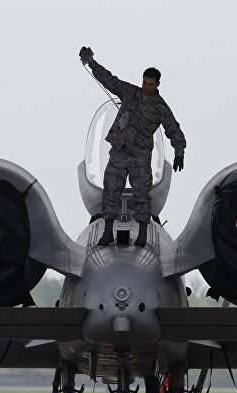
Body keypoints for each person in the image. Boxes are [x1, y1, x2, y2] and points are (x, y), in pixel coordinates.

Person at [79, 46, 186, 247]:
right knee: (111, 190)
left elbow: (173, 128)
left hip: (140, 157)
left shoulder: (160, 107)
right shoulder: (130, 92)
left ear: (158, 84)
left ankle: (143, 235)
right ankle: (108, 232)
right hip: (119, 151)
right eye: (145, 83)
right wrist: (91, 63)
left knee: (141, 196)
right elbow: (110, 80)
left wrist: (179, 150)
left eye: (151, 84)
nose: (147, 87)